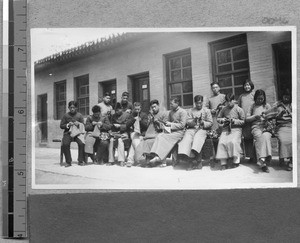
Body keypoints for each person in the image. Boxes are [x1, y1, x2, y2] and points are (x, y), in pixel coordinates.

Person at [177, 95, 213, 170]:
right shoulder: (191, 110)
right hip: (192, 129)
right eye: (197, 103)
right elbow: (187, 121)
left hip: (202, 129)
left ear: (202, 102)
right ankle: (190, 161)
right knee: (187, 139)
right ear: (195, 103)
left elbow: (210, 122)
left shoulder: (206, 110)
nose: (199, 105)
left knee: (197, 139)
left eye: (200, 103)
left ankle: (198, 161)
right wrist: (193, 121)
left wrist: (203, 122)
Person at [149, 98, 187, 167]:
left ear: (177, 103)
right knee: (160, 135)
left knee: (164, 138)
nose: (170, 105)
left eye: (172, 104)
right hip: (172, 131)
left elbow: (182, 125)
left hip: (180, 132)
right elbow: (168, 123)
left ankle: (160, 158)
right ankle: (157, 156)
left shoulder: (183, 112)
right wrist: (164, 125)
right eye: (170, 104)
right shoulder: (171, 112)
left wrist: (171, 124)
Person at [134, 99, 168, 167]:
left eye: (155, 106)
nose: (154, 108)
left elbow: (165, 126)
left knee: (152, 141)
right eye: (152, 107)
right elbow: (147, 126)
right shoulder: (150, 115)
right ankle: (148, 161)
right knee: (144, 142)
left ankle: (157, 159)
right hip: (150, 133)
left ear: (158, 106)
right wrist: (150, 119)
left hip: (159, 133)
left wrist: (157, 122)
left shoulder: (164, 114)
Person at [265, 90, 293, 171]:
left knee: (293, 139)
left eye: (288, 96)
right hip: (281, 127)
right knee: (283, 140)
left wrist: (290, 113)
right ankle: (282, 158)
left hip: (291, 126)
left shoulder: (292, 105)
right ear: (282, 96)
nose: (286, 97)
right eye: (285, 96)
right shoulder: (278, 105)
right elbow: (270, 114)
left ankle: (291, 161)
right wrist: (279, 114)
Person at [245, 89, 272, 173]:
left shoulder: (267, 106)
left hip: (266, 127)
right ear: (255, 98)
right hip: (256, 127)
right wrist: (255, 117)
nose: (260, 100)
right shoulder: (252, 106)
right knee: (259, 138)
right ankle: (264, 164)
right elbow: (247, 118)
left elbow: (272, 117)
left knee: (266, 137)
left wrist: (266, 119)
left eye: (262, 99)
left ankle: (262, 159)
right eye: (258, 99)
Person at [216, 93, 245, 170]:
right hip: (226, 129)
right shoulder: (224, 109)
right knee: (221, 142)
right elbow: (218, 118)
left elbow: (243, 121)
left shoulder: (239, 109)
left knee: (233, 141)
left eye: (231, 101)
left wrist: (234, 121)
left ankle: (236, 161)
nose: (229, 103)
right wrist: (222, 120)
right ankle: (223, 163)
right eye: (227, 101)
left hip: (236, 129)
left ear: (234, 100)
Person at [108, 102, 134, 166]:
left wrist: (120, 126)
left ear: (121, 109)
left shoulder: (127, 115)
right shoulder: (114, 116)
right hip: (116, 133)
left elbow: (128, 125)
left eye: (118, 110)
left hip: (125, 133)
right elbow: (111, 125)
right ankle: (111, 160)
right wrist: (113, 128)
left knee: (120, 140)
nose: (117, 112)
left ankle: (121, 160)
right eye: (116, 110)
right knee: (111, 140)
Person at [60, 101, 85, 167]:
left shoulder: (79, 115)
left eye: (74, 107)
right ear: (68, 108)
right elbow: (61, 125)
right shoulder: (66, 115)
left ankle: (80, 160)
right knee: (65, 144)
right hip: (68, 133)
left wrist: (79, 124)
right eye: (70, 107)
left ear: (76, 108)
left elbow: (83, 125)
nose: (72, 109)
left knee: (81, 143)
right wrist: (68, 125)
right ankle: (68, 161)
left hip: (77, 134)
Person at [237, 79, 255, 162]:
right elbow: (238, 107)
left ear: (251, 86)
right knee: (247, 138)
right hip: (244, 120)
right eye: (245, 85)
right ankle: (250, 156)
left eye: (248, 85)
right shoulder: (241, 96)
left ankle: (256, 156)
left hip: (253, 119)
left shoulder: (254, 95)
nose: (247, 87)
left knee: (254, 137)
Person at [126, 102, 149, 167]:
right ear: (134, 108)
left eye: (138, 109)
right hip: (134, 132)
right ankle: (141, 159)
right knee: (136, 140)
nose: (137, 111)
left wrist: (140, 121)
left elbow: (146, 126)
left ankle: (130, 160)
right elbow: (127, 125)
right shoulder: (132, 115)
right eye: (135, 109)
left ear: (140, 108)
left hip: (142, 133)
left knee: (134, 143)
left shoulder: (144, 115)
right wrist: (133, 119)